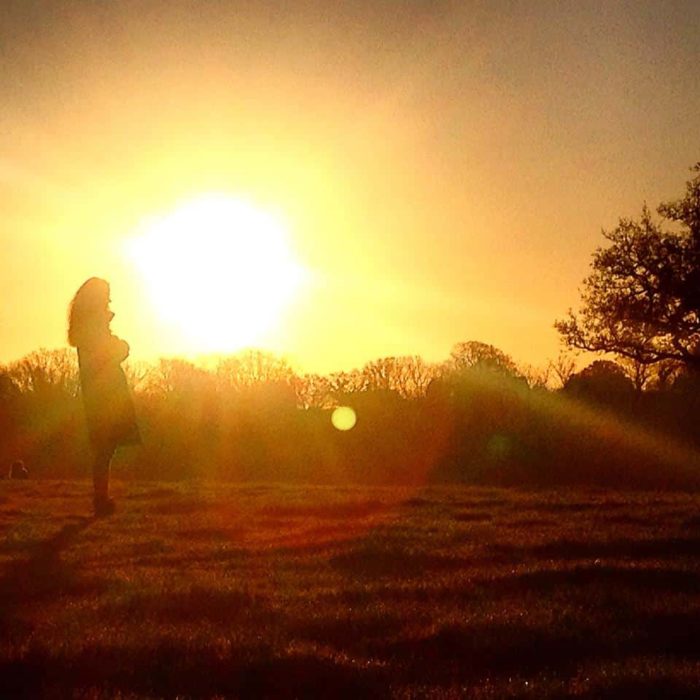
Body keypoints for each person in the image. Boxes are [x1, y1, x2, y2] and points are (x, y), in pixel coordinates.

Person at [68, 278, 140, 516]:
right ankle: (101, 499)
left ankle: (102, 497)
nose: (109, 300)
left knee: (105, 446)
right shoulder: (94, 325)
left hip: (99, 389)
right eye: (106, 295)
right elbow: (111, 352)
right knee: (105, 446)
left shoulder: (86, 325)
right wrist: (121, 346)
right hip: (105, 391)